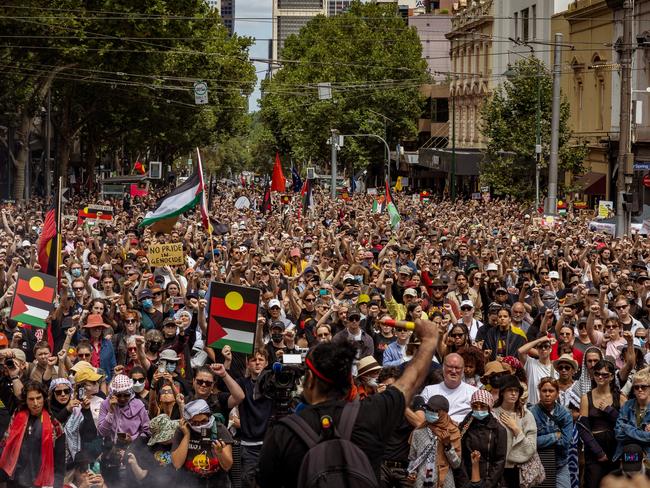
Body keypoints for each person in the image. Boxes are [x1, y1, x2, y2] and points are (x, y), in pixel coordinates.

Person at [256, 316, 440, 488]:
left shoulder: (283, 433)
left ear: (310, 378)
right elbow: (410, 382)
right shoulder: (371, 414)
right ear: (348, 381)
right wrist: (430, 340)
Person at [0, 381, 66, 488]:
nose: (35, 403)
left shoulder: (55, 425)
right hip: (16, 480)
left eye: (38, 398)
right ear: (25, 401)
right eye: (31, 399)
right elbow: (5, 446)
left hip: (41, 481)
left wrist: (57, 485)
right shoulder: (16, 418)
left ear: (44, 399)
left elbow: (60, 462)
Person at [579, 359, 623, 487]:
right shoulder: (586, 398)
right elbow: (583, 429)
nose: (600, 377)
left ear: (612, 377)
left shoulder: (620, 397)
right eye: (597, 373)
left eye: (605, 375)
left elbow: (626, 425)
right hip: (594, 449)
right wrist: (598, 452)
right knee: (592, 483)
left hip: (615, 449)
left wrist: (610, 411)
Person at [170, 399, 233, 487]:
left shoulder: (219, 429)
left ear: (209, 416)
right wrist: (187, 435)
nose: (200, 426)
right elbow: (177, 464)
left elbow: (227, 466)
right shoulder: (182, 430)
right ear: (188, 421)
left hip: (216, 482)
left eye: (203, 421)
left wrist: (220, 452)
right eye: (195, 423)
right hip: (189, 482)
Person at [492, 375, 537, 488]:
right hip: (496, 469)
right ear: (502, 392)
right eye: (510, 390)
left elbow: (531, 447)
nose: (513, 393)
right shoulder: (492, 414)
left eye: (516, 391)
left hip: (519, 470)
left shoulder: (526, 415)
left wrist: (516, 429)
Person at [407, 395, 461, 488]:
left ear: (443, 413)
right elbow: (413, 458)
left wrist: (447, 445)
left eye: (434, 411)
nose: (430, 412)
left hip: (444, 482)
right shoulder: (418, 432)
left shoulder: (453, 432)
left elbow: (456, 464)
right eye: (428, 409)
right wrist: (412, 472)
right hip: (421, 482)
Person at [457, 389, 507, 488]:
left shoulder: (498, 430)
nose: (479, 409)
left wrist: (487, 484)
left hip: (491, 482)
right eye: (475, 406)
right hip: (466, 480)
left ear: (489, 407)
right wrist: (465, 483)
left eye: (483, 406)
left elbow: (500, 461)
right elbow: (460, 456)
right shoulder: (464, 428)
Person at [530, 377, 573, 488]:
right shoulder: (531, 413)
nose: (547, 394)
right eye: (544, 391)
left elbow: (565, 442)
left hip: (560, 464)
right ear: (539, 392)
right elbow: (530, 443)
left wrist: (542, 441)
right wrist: (555, 436)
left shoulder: (565, 414)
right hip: (536, 464)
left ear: (557, 393)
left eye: (551, 391)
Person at [420, 353, 477, 423]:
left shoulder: (474, 393)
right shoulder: (429, 391)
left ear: (462, 370)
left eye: (457, 368)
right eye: (450, 367)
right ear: (443, 368)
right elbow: (421, 417)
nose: (453, 371)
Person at [614, 367, 650, 472]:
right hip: (628, 456)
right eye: (636, 387)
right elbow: (618, 433)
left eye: (644, 387)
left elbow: (622, 430)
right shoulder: (627, 405)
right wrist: (643, 435)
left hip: (647, 457)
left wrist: (626, 428)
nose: (640, 389)